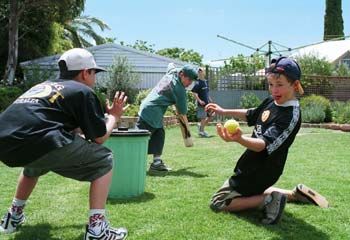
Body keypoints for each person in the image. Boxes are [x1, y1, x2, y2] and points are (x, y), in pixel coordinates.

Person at [0, 48, 128, 239]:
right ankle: (97, 230)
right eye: (94, 73)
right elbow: (100, 138)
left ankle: (12, 218)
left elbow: (62, 125)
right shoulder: (83, 91)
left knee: (33, 164)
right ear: (85, 72)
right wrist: (113, 116)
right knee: (104, 158)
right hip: (41, 139)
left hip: (6, 144)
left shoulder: (42, 86)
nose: (95, 78)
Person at [206, 57, 328, 224]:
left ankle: (271, 200)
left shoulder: (290, 115)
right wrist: (224, 110)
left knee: (218, 203)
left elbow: (263, 146)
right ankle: (293, 195)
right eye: (271, 84)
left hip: (262, 170)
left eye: (279, 85)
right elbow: (252, 114)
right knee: (245, 192)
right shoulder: (273, 100)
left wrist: (240, 138)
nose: (274, 90)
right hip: (251, 164)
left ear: (294, 84)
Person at [136, 64, 198, 175]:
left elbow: (170, 65)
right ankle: (130, 164)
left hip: (150, 108)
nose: (189, 83)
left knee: (159, 134)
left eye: (191, 81)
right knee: (139, 142)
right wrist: (176, 103)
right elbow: (183, 112)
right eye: (188, 79)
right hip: (151, 112)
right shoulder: (179, 89)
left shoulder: (172, 72)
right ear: (182, 74)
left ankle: (156, 164)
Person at [191, 67, 213, 137]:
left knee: (211, 115)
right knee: (203, 117)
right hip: (201, 104)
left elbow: (207, 92)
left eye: (201, 71)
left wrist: (209, 99)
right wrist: (199, 100)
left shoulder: (206, 82)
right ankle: (201, 131)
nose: (200, 72)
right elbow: (194, 93)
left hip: (207, 103)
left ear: (204, 73)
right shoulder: (198, 83)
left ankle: (201, 127)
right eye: (199, 72)